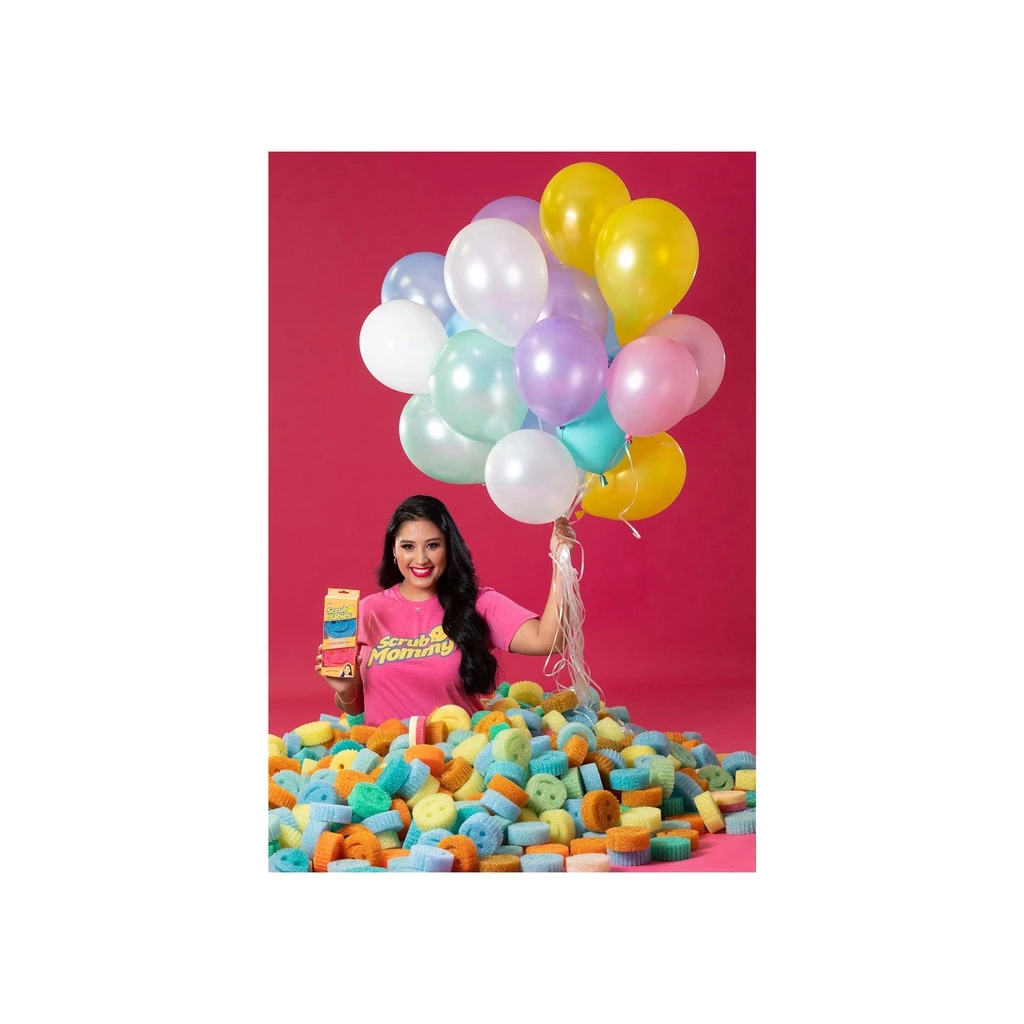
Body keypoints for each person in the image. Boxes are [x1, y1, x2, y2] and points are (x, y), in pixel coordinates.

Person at [314, 494, 576, 725]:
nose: (421, 559)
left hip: (458, 756)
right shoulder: (367, 611)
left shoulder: (478, 603)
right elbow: (357, 707)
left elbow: (550, 640)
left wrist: (560, 560)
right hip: (387, 758)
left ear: (449, 547)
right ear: (393, 550)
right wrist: (346, 690)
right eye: (408, 546)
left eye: (432, 545)